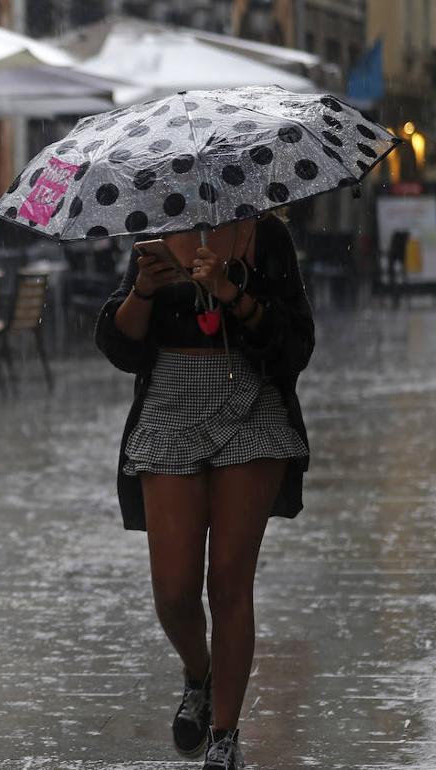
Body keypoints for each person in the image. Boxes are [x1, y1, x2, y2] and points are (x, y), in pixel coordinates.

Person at [94, 214, 314, 770]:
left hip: (251, 407)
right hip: (169, 405)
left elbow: (294, 343)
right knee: (173, 588)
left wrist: (230, 292)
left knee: (229, 584)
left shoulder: (266, 237)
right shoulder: (157, 234)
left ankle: (224, 737)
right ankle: (200, 672)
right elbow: (120, 348)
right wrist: (144, 290)